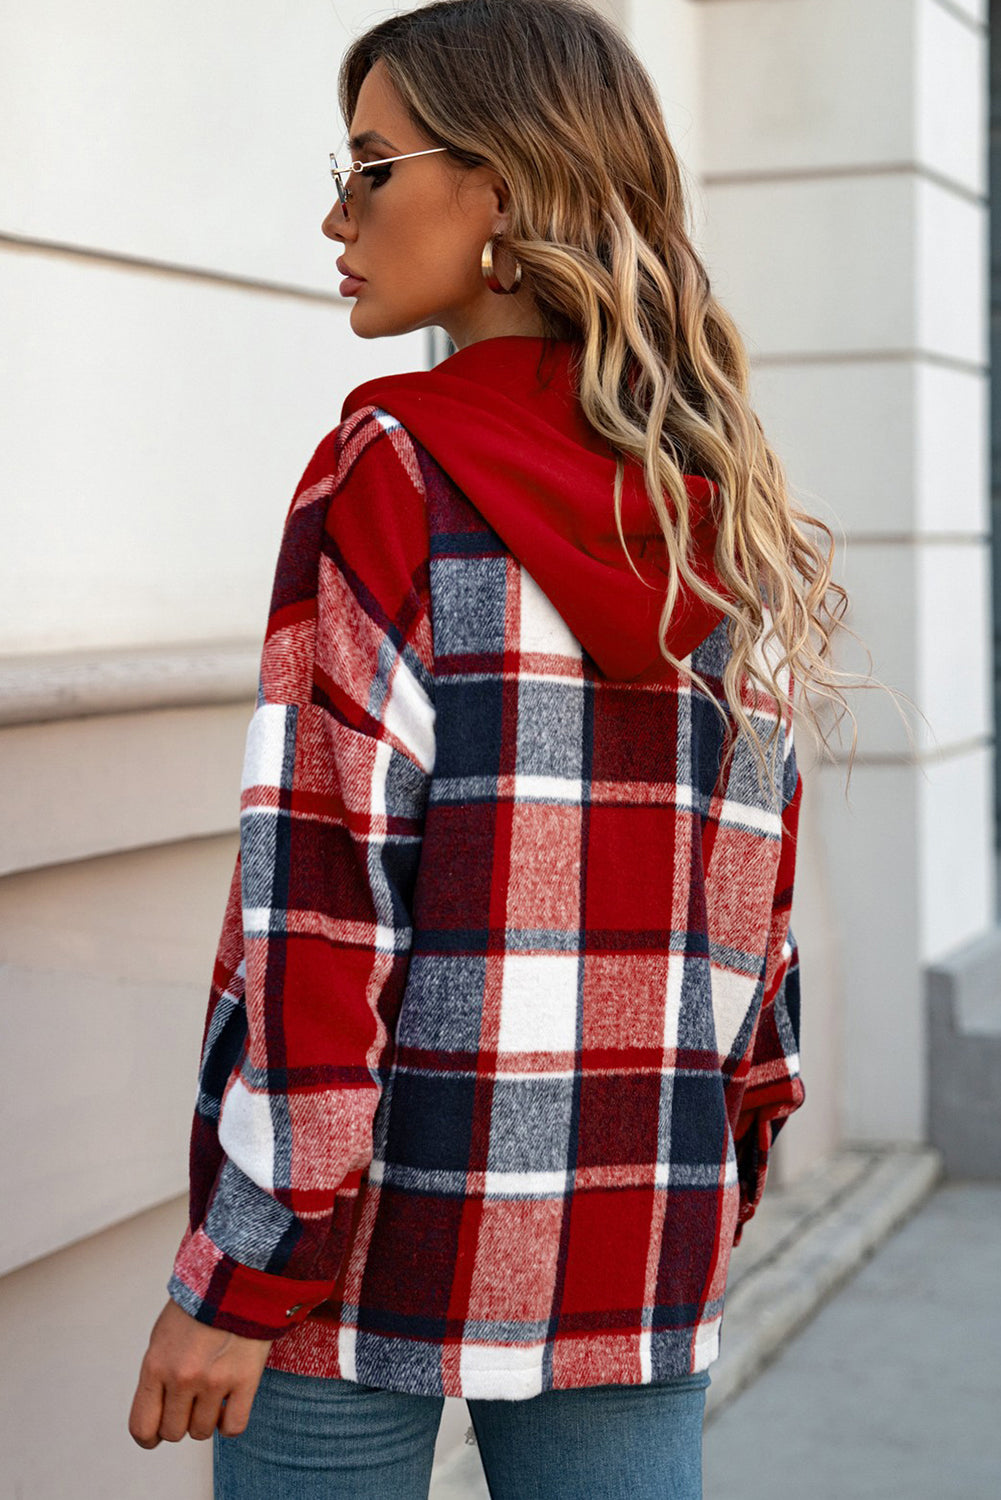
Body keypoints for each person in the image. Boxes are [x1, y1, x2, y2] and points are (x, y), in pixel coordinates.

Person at [127, 2, 851, 1494]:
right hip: (632, 1219)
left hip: (364, 1235)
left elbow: (320, 909)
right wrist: (715, 1163)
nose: (337, 213)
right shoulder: (713, 501)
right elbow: (750, 927)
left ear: (502, 193)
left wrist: (245, 1272)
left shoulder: (387, 471)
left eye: (372, 168)